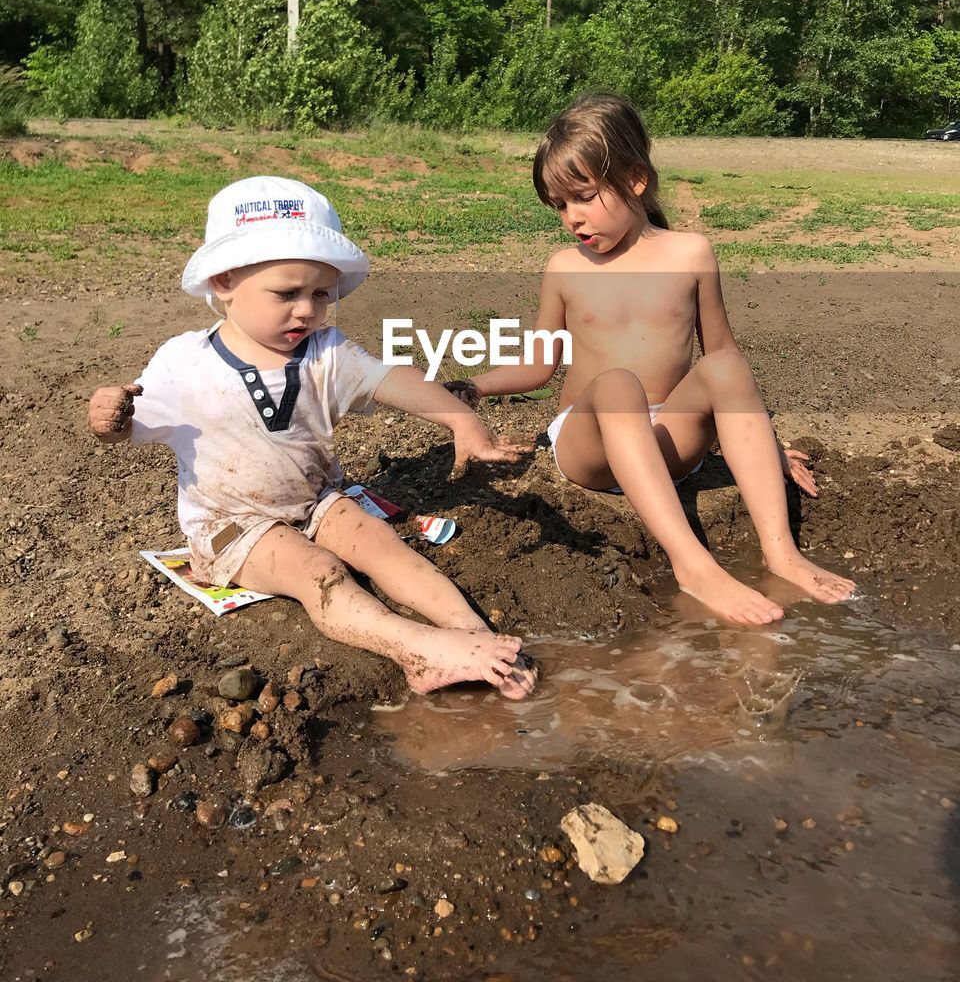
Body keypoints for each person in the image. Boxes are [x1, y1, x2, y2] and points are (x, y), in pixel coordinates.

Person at [88, 176, 536, 699]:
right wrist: (110, 419)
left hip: (315, 499)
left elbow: (390, 378)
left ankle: (476, 637)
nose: (307, 309)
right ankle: (418, 652)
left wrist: (460, 418)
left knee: (382, 544)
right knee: (318, 571)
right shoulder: (184, 362)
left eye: (320, 293)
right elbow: (130, 426)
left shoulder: (325, 352)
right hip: (232, 523)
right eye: (287, 293)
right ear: (225, 280)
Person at [448, 95, 855, 626]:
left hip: (668, 440)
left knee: (728, 369)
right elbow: (538, 368)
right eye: (560, 206)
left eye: (584, 198)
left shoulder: (691, 255)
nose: (572, 219)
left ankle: (781, 554)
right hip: (589, 441)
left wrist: (768, 445)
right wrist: (471, 387)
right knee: (618, 384)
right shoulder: (566, 268)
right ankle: (693, 565)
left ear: (636, 179)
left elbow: (722, 356)